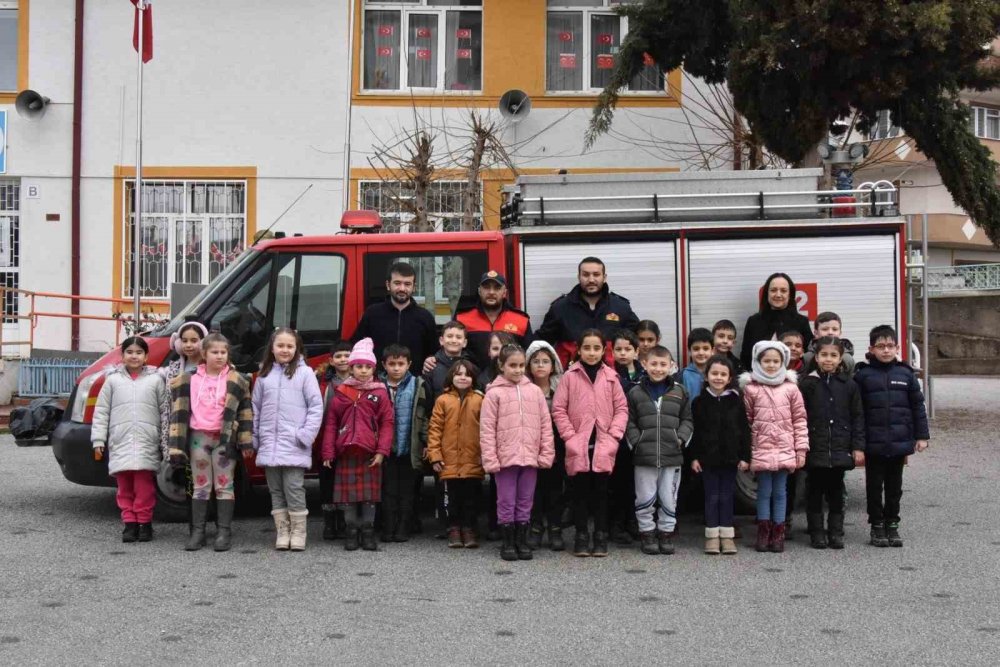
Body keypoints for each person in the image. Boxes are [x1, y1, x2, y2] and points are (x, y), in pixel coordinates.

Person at [168, 333, 253, 552]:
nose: (219, 356)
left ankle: (224, 531)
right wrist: (175, 445)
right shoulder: (188, 379)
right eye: (214, 352)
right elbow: (176, 415)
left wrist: (245, 442)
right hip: (198, 438)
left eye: (223, 352)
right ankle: (198, 532)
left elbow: (245, 412)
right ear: (204, 354)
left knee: (225, 484)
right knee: (200, 486)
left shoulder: (236, 380)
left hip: (224, 440)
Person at [552, 329, 629, 558]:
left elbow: (621, 409)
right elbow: (559, 409)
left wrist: (614, 436)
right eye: (587, 348)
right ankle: (582, 536)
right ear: (579, 349)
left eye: (596, 348)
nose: (592, 353)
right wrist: (570, 437)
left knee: (602, 494)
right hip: (579, 446)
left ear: (604, 351)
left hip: (603, 446)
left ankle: (601, 536)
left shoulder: (611, 377)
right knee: (579, 494)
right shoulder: (569, 377)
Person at [854, 325, 930, 548]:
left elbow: (918, 407)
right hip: (873, 443)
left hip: (899, 442)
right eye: (880, 346)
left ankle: (892, 524)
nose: (886, 350)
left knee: (895, 487)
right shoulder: (862, 376)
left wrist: (922, 436)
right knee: (874, 487)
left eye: (890, 346)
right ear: (871, 349)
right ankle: (876, 525)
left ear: (897, 347)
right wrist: (858, 444)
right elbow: (857, 413)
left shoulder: (906, 374)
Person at [480, 344, 555, 562]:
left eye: (522, 365)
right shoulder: (493, 394)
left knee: (525, 500)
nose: (518, 370)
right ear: (501, 366)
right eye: (512, 365)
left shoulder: (534, 392)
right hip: (505, 459)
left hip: (530, 458)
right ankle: (508, 541)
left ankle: (522, 539)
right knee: (506, 500)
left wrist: (545, 454)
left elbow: (545, 425)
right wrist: (490, 459)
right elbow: (486, 430)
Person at [252, 328, 324, 552]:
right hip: (269, 444)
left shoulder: (305, 374)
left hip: (294, 443)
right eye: (280, 346)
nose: (285, 350)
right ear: (272, 348)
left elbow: (316, 407)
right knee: (275, 489)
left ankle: (299, 531)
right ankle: (282, 531)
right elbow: (256, 409)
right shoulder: (264, 376)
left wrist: (305, 435)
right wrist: (256, 437)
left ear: (297, 349)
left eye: (289, 346)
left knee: (293, 488)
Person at [92, 337, 169, 543]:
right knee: (124, 487)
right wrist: (98, 440)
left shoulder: (155, 380)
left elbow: (164, 412)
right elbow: (101, 412)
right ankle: (129, 523)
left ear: (146, 356)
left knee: (144, 487)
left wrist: (165, 441)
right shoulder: (112, 381)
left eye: (139, 352)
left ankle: (145, 523)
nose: (134, 356)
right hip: (120, 442)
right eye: (129, 352)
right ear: (122, 355)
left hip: (146, 442)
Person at [321, 338, 394, 552]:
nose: (363, 371)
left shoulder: (380, 392)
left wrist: (382, 451)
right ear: (351, 368)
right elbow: (331, 423)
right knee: (349, 498)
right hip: (346, 452)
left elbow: (387, 423)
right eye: (358, 366)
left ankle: (368, 531)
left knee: (369, 497)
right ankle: (351, 531)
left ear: (373, 368)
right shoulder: (342, 392)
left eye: (367, 367)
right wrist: (328, 451)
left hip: (370, 453)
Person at [739, 340, 808, 554]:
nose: (771, 365)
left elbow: (800, 419)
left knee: (781, 493)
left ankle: (778, 532)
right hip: (760, 449)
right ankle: (763, 531)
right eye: (766, 361)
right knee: (763, 492)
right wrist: (747, 452)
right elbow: (746, 422)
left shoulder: (791, 388)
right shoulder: (751, 389)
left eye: (775, 361)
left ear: (783, 363)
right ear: (757, 362)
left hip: (785, 449)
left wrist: (801, 449)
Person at [799, 336, 865, 550]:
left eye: (833, 355)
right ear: (816, 357)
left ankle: (835, 532)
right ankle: (817, 532)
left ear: (841, 358)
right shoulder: (807, 384)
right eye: (824, 355)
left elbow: (857, 417)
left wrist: (857, 446)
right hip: (814, 446)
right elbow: (800, 417)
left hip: (839, 447)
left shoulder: (849, 385)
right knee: (814, 492)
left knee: (836, 492)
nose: (828, 359)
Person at [626, 344, 693, 556]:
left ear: (671, 366)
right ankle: (647, 534)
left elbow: (687, 420)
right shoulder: (635, 392)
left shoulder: (680, 392)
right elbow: (629, 421)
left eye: (663, 364)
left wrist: (680, 438)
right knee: (644, 496)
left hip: (672, 455)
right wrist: (637, 441)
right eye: (653, 363)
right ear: (644, 364)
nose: (658, 368)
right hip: (643, 456)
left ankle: (666, 533)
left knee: (669, 496)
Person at [689, 355, 751, 555]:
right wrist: (694, 457)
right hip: (708, 460)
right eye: (714, 373)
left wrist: (745, 456)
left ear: (729, 377)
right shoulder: (699, 402)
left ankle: (727, 536)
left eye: (723, 374)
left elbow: (744, 430)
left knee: (726, 497)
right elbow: (695, 432)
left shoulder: (736, 401)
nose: (718, 377)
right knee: (711, 497)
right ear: (706, 376)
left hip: (730, 459)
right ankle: (712, 536)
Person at [537, 257, 640, 369]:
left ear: (604, 277)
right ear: (579, 277)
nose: (591, 279)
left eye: (596, 274)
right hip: (570, 379)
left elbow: (640, 339)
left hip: (612, 379)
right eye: (586, 275)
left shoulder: (620, 307)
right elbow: (540, 344)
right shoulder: (560, 308)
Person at [425, 360, 484, 549]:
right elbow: (434, 429)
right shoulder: (442, 400)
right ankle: (453, 528)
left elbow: (486, 429)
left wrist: (485, 455)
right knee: (451, 497)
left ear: (473, 379)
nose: (463, 378)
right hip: (448, 461)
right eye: (458, 374)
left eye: (467, 374)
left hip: (472, 458)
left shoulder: (479, 400)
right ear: (451, 377)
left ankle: (468, 529)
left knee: (470, 498)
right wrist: (435, 456)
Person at [158, 321, 208, 524]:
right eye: (185, 340)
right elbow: (165, 406)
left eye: (194, 340)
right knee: (189, 479)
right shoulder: (171, 371)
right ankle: (195, 524)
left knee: (206, 480)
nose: (189, 345)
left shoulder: (211, 366)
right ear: (177, 344)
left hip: (204, 432)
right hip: (181, 434)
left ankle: (210, 523)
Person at [352, 261, 439, 372]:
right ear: (388, 285)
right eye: (397, 283)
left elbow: (434, 352)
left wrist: (430, 359)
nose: (402, 288)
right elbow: (356, 345)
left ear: (414, 287)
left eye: (407, 284)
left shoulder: (425, 317)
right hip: (378, 383)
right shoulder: (373, 313)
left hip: (414, 382)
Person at [380, 344, 428, 543]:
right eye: (392, 364)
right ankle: (388, 527)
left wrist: (425, 442)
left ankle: (403, 527)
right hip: (386, 449)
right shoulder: (378, 385)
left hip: (410, 448)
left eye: (401, 364)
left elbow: (424, 416)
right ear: (384, 365)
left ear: (409, 364)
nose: (396, 368)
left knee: (407, 492)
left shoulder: (418, 384)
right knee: (388, 490)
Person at [525, 340, 567, 551]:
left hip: (557, 444)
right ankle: (535, 527)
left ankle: (555, 528)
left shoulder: (562, 386)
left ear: (553, 365)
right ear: (528, 365)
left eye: (545, 361)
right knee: (534, 488)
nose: (540, 365)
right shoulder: (523, 388)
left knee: (554, 489)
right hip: (531, 444)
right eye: (535, 361)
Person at [454, 271, 533, 371]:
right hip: (472, 381)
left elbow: (529, 355)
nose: (491, 292)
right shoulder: (462, 318)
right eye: (486, 287)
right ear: (479, 291)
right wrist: (434, 358)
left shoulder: (521, 320)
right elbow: (450, 348)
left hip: (509, 382)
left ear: (504, 293)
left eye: (497, 288)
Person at [317, 340, 353, 541]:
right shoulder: (323, 383)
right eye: (338, 356)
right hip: (326, 439)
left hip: (350, 440)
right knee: (327, 481)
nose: (343, 360)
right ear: (331, 360)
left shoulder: (361, 380)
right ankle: (330, 522)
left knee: (345, 482)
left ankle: (344, 521)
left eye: (347, 355)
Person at [739, 272, 813, 370]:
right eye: (773, 290)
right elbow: (746, 357)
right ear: (767, 293)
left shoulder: (801, 322)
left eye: (783, 291)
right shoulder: (754, 321)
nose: (778, 295)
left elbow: (808, 357)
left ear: (790, 294)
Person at [610, 329, 643, 544]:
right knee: (618, 483)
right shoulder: (610, 375)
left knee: (637, 483)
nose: (623, 353)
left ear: (637, 351)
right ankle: (617, 524)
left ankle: (634, 522)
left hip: (640, 436)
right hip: (617, 438)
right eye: (619, 349)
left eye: (628, 349)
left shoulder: (645, 375)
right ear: (612, 352)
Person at [424, 320, 471, 404]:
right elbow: (427, 399)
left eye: (458, 337)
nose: (453, 340)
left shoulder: (471, 366)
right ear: (441, 340)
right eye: (449, 336)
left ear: (464, 343)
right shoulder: (431, 366)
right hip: (438, 415)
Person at [679, 327, 714, 399]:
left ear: (712, 351)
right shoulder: (682, 375)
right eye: (696, 349)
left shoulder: (717, 373)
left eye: (705, 348)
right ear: (689, 352)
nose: (701, 353)